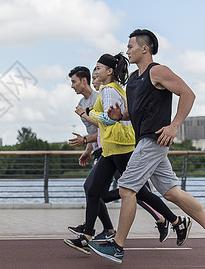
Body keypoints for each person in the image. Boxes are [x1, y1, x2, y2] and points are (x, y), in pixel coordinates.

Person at [88, 29, 205, 264]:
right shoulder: (133, 79)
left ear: (145, 48)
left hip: (154, 138)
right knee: (171, 192)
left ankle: (117, 246)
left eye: (131, 46)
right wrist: (120, 115)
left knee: (126, 188)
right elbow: (136, 111)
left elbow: (188, 94)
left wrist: (175, 126)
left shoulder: (157, 71)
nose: (127, 50)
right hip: (146, 140)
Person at [64, 52, 183, 256]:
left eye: (99, 68)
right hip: (111, 147)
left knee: (136, 191)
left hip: (119, 145)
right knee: (93, 190)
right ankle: (88, 236)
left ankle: (175, 220)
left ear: (109, 71)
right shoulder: (111, 89)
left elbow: (110, 119)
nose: (96, 72)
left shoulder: (109, 90)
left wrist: (87, 113)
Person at [67, 66, 114, 241]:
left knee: (95, 190)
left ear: (83, 80)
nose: (72, 86)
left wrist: (86, 141)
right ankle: (101, 229)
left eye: (73, 81)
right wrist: (88, 150)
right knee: (94, 191)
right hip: (98, 150)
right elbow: (92, 130)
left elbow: (104, 127)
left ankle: (90, 230)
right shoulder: (81, 105)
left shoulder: (97, 98)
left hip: (110, 149)